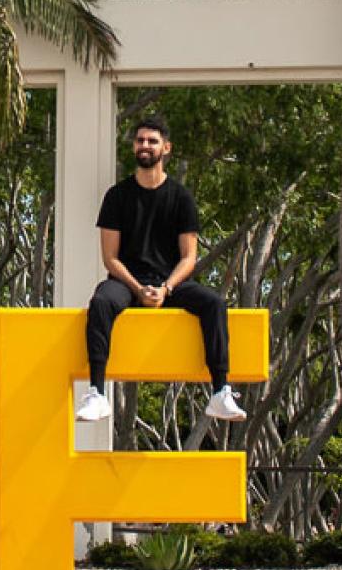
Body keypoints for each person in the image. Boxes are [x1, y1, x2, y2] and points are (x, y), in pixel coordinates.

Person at [75, 115, 246, 423]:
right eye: (140, 140)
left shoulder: (181, 198)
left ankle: (221, 392)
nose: (145, 145)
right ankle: (97, 393)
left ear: (166, 148)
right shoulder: (117, 196)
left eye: (152, 141)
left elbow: (189, 257)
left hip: (171, 283)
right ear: (133, 147)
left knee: (214, 303)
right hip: (127, 282)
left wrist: (166, 289)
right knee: (101, 301)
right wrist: (138, 289)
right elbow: (110, 258)